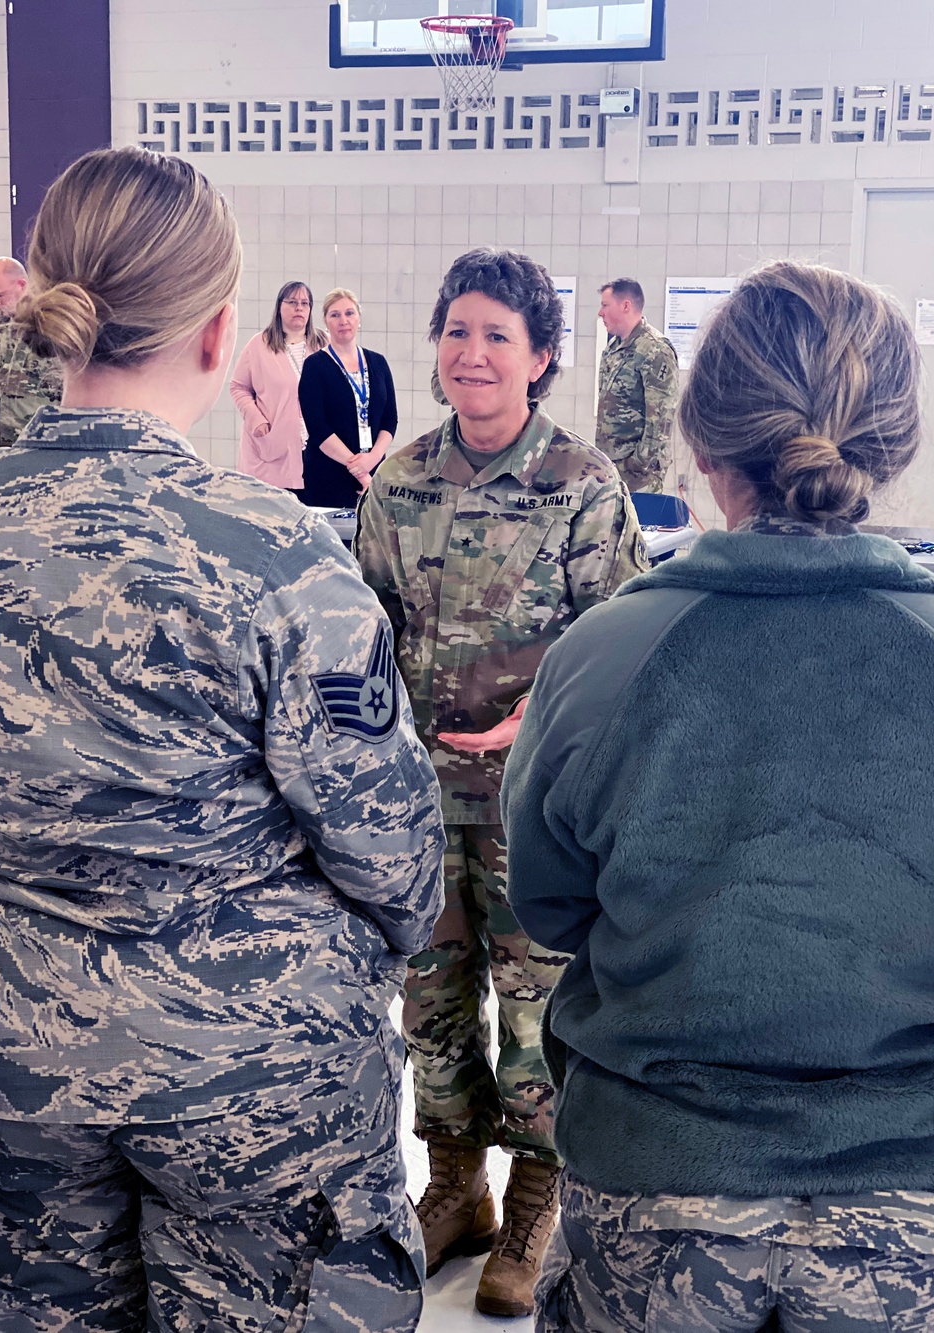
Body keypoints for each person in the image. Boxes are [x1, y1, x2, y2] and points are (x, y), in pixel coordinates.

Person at [0, 145, 446, 1333]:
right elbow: (394, 856)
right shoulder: (270, 553)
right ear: (224, 334)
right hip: (255, 1063)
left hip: (10, 1049)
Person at [503, 260, 934, 1333]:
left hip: (656, 1191)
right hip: (911, 1199)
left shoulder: (603, 653)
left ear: (700, 446)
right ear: (894, 445)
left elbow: (549, 903)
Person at [355, 247, 647, 1319]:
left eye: (495, 336)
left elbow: (620, 645)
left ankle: (534, 1201)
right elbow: (366, 636)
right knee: (429, 1001)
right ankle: (456, 1189)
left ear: (538, 358)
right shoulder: (399, 479)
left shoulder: (582, 484)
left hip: (537, 804)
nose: (470, 353)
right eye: (456, 330)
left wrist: (548, 715)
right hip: (419, 799)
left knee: (534, 1010)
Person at [298, 288, 396, 508]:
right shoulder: (315, 366)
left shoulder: (378, 363)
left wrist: (373, 459)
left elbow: (390, 420)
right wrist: (360, 472)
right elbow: (319, 429)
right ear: (325, 321)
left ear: (359, 318)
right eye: (335, 315)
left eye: (349, 313)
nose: (343, 320)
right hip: (329, 475)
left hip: (374, 471)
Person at [230, 280, 326, 495]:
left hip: (317, 448)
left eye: (304, 303)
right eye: (292, 302)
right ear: (279, 306)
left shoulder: (324, 344)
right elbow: (238, 387)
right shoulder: (259, 345)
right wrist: (257, 419)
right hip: (272, 447)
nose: (299, 307)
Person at [0, 256, 63, 457]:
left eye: (0, 295)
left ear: (21, 285)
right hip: (2, 448)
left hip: (46, 446)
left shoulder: (54, 324)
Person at [595, 277, 678, 493]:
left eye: (605, 305)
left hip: (639, 476)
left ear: (626, 306)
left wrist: (638, 464)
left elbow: (661, 419)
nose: (600, 312)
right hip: (612, 469)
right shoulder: (613, 348)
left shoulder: (654, 350)